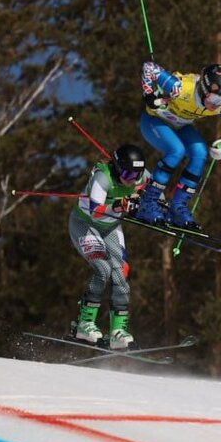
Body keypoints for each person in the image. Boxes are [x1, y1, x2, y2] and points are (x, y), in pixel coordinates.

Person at [133, 61, 221, 232]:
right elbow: (149, 68)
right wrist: (148, 96)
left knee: (200, 153)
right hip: (155, 121)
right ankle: (147, 204)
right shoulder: (180, 88)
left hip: (181, 124)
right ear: (205, 89)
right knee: (177, 151)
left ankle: (177, 207)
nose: (217, 104)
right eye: (215, 98)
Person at [68, 144, 149, 350]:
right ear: (117, 167)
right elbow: (96, 211)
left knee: (121, 274)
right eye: (127, 173)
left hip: (111, 227)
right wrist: (122, 205)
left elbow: (156, 196)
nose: (131, 179)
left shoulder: (141, 177)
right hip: (85, 224)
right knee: (102, 269)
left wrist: (157, 210)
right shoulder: (102, 178)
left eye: (136, 174)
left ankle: (117, 332)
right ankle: (84, 324)